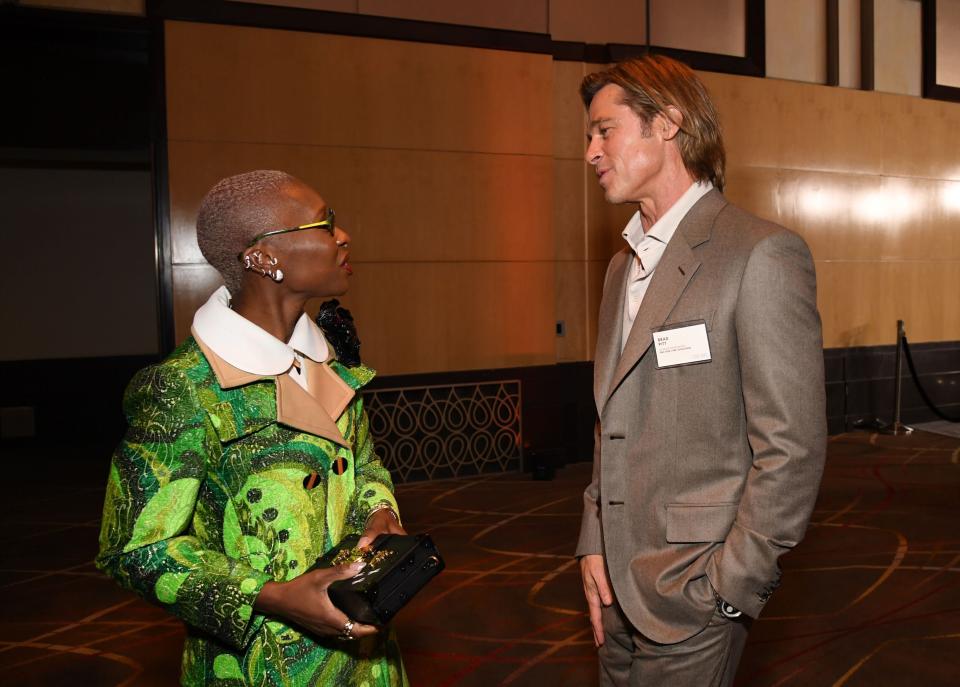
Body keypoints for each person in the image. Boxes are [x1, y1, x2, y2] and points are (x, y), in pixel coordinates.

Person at [97, 170, 408, 686]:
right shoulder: (183, 388)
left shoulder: (327, 361)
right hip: (259, 666)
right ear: (264, 257)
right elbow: (136, 549)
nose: (343, 236)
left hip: (366, 657)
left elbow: (364, 463)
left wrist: (379, 513)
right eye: (325, 224)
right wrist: (271, 596)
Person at [576, 56, 827, 686]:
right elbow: (613, 423)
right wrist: (593, 542)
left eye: (604, 130)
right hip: (615, 589)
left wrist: (730, 590)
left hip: (695, 596)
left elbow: (791, 448)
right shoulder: (618, 269)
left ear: (667, 123)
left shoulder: (760, 253)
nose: (590, 152)